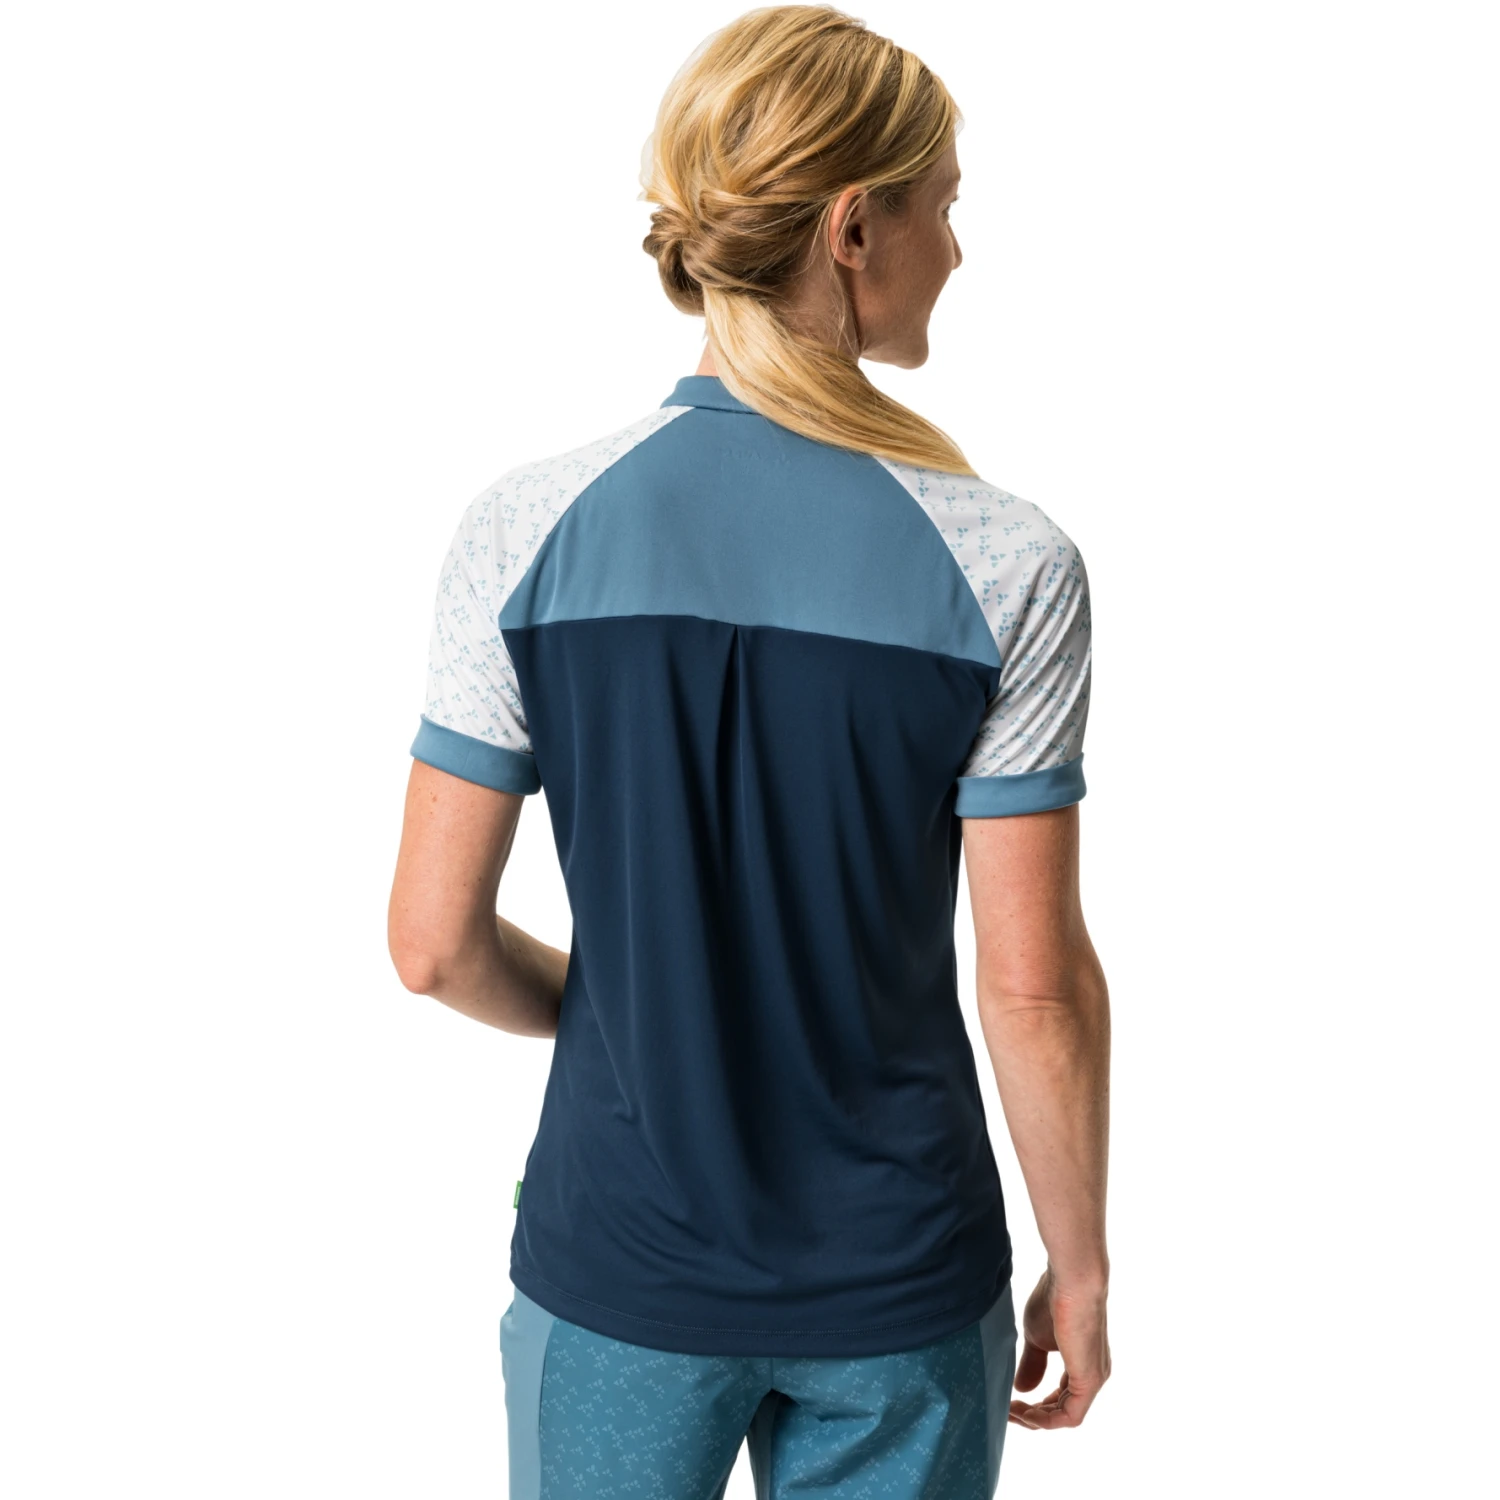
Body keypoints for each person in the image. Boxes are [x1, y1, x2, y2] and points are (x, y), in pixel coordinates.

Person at [386, 6, 1111, 1496]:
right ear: (853, 227)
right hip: (899, 1286)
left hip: (617, 1268)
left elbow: (431, 946)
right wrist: (1082, 1263)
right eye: (945, 205)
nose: (957, 250)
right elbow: (1031, 988)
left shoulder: (525, 529)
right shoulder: (1007, 562)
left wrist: (631, 1013)